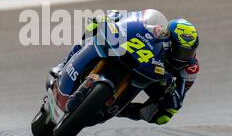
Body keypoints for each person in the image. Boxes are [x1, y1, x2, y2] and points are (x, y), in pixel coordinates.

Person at [50, 9, 200, 125]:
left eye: (189, 52)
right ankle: (64, 63)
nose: (184, 56)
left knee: (164, 116)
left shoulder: (190, 68)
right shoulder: (157, 32)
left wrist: (170, 91)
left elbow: (178, 101)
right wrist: (113, 19)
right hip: (141, 57)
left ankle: (122, 110)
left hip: (157, 79)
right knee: (94, 31)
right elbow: (134, 21)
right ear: (169, 39)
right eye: (181, 50)